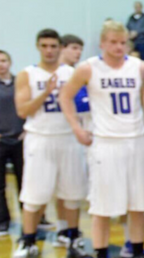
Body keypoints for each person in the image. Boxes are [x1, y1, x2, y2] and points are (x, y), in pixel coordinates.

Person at [59, 21, 144, 258]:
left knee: (138, 205)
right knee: (102, 208)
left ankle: (138, 252)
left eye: (123, 42)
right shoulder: (88, 68)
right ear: (102, 43)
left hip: (135, 142)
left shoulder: (139, 67)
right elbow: (65, 96)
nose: (118, 47)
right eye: (113, 42)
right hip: (105, 143)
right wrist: (76, 128)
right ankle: (101, 253)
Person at [13, 29, 87, 258]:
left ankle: (73, 238)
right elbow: (23, 110)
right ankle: (28, 241)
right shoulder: (28, 74)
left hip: (67, 137)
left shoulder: (72, 72)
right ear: (38, 46)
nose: (49, 50)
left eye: (53, 46)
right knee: (34, 195)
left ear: (60, 48)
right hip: (40, 138)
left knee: (73, 192)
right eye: (44, 46)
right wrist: (45, 92)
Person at [54, 34, 87, 249]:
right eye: (74, 48)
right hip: (52, 133)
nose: (78, 53)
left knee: (69, 187)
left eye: (80, 49)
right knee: (55, 187)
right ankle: (61, 227)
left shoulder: (77, 73)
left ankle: (68, 229)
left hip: (71, 137)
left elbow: (84, 104)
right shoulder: (55, 73)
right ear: (63, 48)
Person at [0, 50, 24, 237]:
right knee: (1, 185)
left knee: (25, 182)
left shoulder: (20, 83)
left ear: (10, 62)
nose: (2, 64)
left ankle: (32, 220)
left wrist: (26, 130)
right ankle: (3, 221)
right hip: (1, 141)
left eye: (4, 60)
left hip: (20, 139)